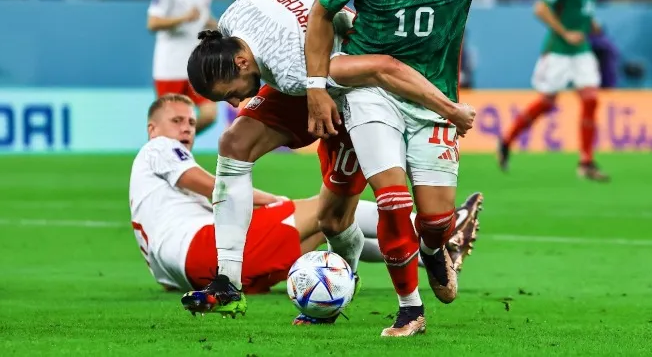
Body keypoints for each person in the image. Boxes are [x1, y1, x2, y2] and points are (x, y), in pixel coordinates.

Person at [304, 0, 652, 336]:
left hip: (434, 98)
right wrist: (315, 87)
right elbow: (321, 14)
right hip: (370, 90)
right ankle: (409, 310)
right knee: (390, 198)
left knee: (434, 221)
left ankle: (435, 245)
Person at [180, 0, 479, 322]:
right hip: (312, 79)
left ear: (241, 61)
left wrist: (449, 108)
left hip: (356, 91)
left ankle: (424, 248)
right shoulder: (233, 18)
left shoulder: (292, 66)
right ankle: (227, 284)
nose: (236, 104)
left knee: (333, 221)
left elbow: (384, 67)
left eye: (231, 94)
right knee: (234, 143)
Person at [130, 94, 481, 300]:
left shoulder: (157, 197)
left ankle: (426, 258)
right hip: (201, 250)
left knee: (324, 231)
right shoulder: (158, 148)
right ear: (152, 130)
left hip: (192, 272)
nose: (186, 129)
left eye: (191, 123)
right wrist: (274, 201)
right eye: (177, 121)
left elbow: (163, 273)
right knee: (330, 209)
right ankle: (444, 231)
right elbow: (215, 187)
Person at [498, 0, 609, 180]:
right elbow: (540, 9)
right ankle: (507, 141)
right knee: (547, 103)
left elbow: (582, 13)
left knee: (590, 100)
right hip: (558, 51)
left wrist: (592, 26)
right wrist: (565, 32)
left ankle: (586, 162)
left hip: (581, 51)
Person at [147, 0, 217, 134]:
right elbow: (152, 22)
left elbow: (202, 17)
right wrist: (182, 18)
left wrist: (221, 27)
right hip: (170, 65)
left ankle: (177, 145)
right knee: (169, 122)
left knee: (210, 114)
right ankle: (162, 152)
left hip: (196, 64)